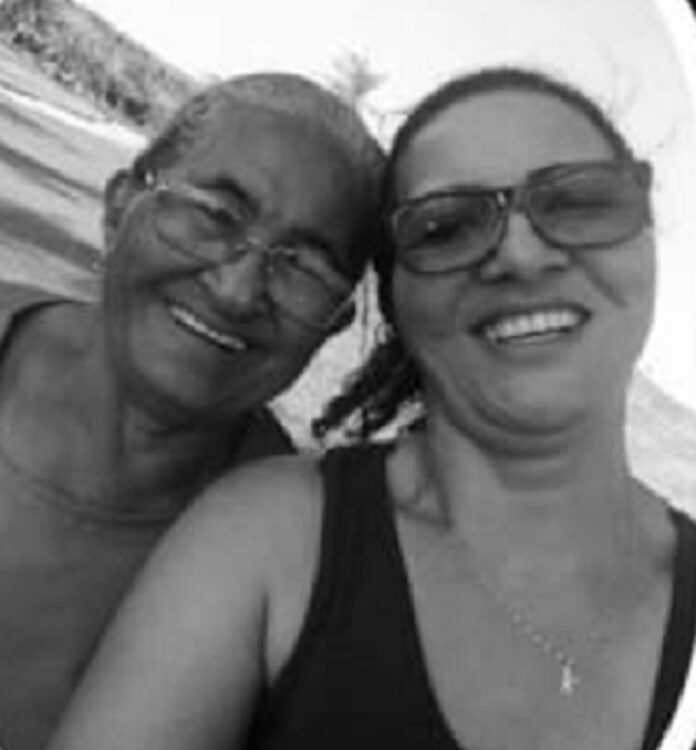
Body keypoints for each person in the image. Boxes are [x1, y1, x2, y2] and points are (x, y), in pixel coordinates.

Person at [48, 67, 696, 750]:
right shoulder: (269, 540)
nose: (524, 255)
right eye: (446, 227)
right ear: (395, 301)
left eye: (581, 200)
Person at [0, 71, 383, 750]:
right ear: (121, 204)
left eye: (303, 267)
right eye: (215, 215)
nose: (237, 290)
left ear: (333, 323)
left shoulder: (292, 571)